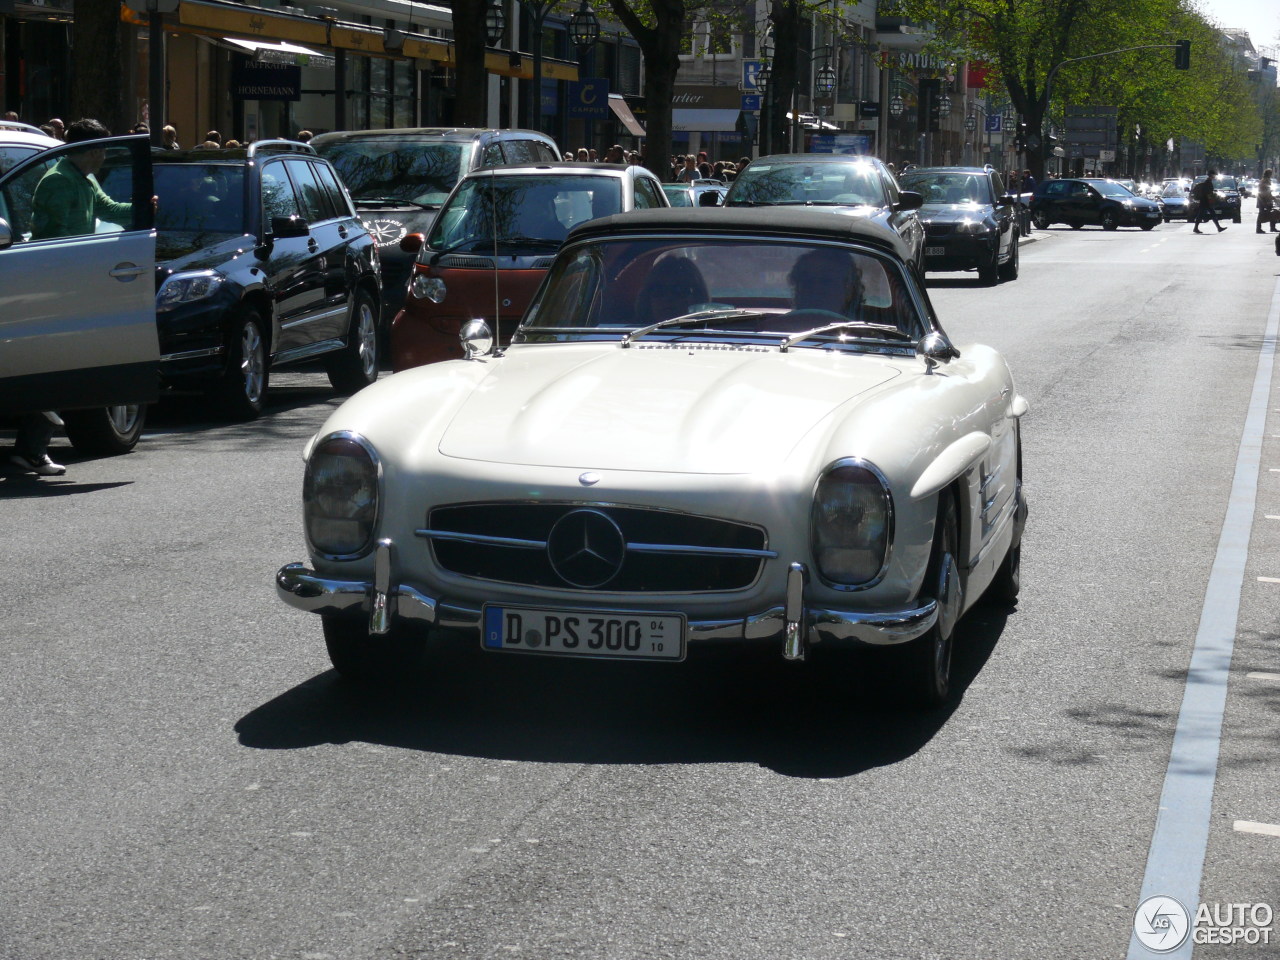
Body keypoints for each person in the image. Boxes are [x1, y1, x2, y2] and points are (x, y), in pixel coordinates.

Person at [30, 117, 135, 241]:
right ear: (95, 152)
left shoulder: (84, 177)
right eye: (104, 151)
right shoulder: (59, 180)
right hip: (58, 259)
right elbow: (54, 237)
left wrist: (142, 208)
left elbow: (110, 210)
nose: (104, 157)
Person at [787, 247, 865, 318]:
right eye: (808, 281)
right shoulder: (781, 329)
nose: (815, 289)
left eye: (826, 281)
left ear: (850, 291)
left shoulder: (868, 331)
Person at [635, 257, 709, 325]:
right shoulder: (629, 333)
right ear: (646, 297)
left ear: (696, 297)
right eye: (659, 290)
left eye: (679, 290)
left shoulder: (710, 332)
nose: (668, 298)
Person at [1192, 169, 1226, 233]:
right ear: (1211, 175)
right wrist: (1211, 200)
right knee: (1206, 214)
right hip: (1205, 201)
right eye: (1214, 175)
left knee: (1202, 215)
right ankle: (1218, 228)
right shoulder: (1208, 182)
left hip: (1204, 200)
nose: (1214, 176)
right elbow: (1208, 193)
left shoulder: (1208, 182)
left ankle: (1218, 227)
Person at [1256, 169, 1275, 234]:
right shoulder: (1265, 181)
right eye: (1270, 173)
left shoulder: (1264, 180)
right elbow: (1265, 191)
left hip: (1263, 199)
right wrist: (1270, 198)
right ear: (1268, 174)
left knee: (1270, 212)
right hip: (1263, 199)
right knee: (1262, 213)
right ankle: (1259, 229)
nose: (1271, 175)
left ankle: (1272, 227)